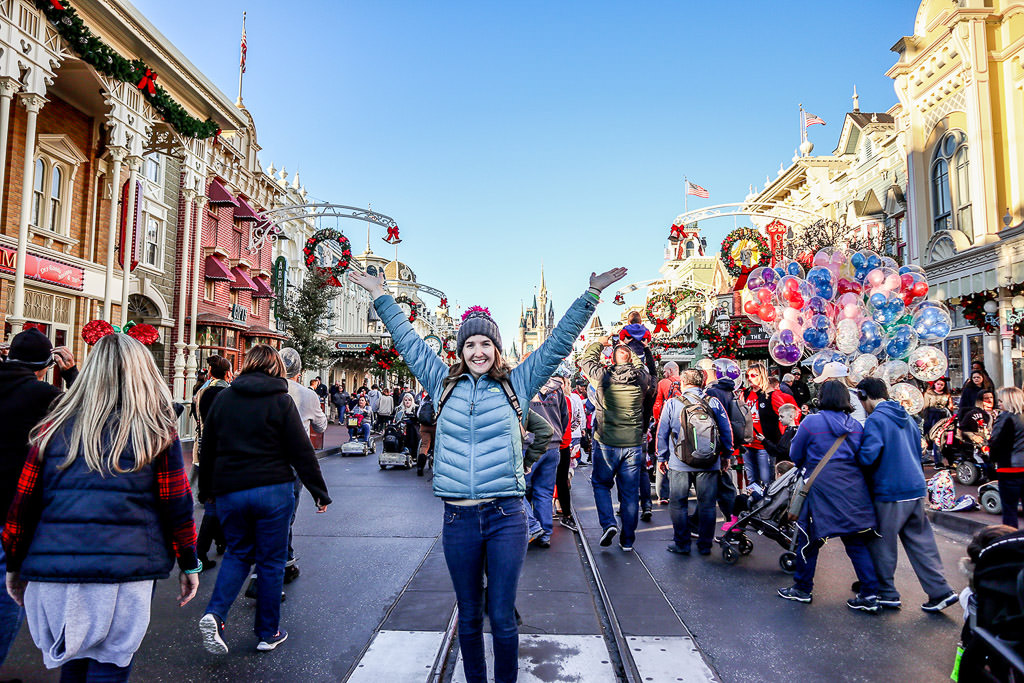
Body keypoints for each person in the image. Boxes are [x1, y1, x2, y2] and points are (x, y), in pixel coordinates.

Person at [349, 265, 623, 683]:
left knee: (502, 614)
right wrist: (381, 295)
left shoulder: (518, 383)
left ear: (496, 349)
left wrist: (590, 295)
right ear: (460, 350)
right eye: (470, 344)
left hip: (505, 517)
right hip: (458, 519)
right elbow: (407, 340)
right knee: (470, 616)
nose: (478, 351)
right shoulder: (441, 382)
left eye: (486, 344)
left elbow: (556, 345)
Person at [2, 333, 198, 681]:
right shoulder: (154, 431)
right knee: (110, 666)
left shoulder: (53, 427)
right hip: (126, 572)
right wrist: (188, 562)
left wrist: (15, 564)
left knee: (72, 663)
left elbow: (24, 504)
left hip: (55, 567)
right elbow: (177, 505)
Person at [197, 345, 331, 655]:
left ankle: (215, 614)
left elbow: (208, 448)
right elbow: (301, 452)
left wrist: (207, 491)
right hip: (272, 489)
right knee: (270, 562)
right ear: (277, 369)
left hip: (231, 490)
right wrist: (319, 493)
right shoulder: (281, 402)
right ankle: (267, 631)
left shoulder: (224, 399)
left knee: (237, 554)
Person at [0, 328, 77, 666]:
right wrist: (72, 373)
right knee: (7, 589)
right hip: (16, 503)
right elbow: (86, 413)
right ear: (47, 363)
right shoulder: (45, 395)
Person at [777, 379, 882, 613]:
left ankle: (802, 588)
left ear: (821, 397)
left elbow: (795, 453)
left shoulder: (812, 422)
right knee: (855, 541)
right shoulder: (856, 426)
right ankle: (870, 593)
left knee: (809, 541)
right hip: (853, 490)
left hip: (820, 489)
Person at [856, 377, 959, 612]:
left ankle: (887, 593)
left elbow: (868, 457)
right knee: (921, 542)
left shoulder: (876, 421)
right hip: (915, 486)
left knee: (882, 543)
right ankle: (940, 590)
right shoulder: (909, 418)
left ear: (864, 396)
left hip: (889, 489)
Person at [579, 333, 654, 553]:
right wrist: (634, 349)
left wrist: (599, 344)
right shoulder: (640, 378)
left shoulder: (602, 376)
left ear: (612, 360)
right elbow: (645, 368)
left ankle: (609, 523)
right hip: (632, 443)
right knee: (630, 493)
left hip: (607, 441)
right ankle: (627, 540)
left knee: (601, 484)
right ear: (631, 360)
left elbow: (586, 361)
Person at [659, 369, 733, 556]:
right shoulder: (713, 403)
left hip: (679, 462)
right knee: (707, 504)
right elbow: (726, 431)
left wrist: (662, 457)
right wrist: (726, 455)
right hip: (709, 462)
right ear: (701, 383)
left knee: (678, 503)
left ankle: (682, 544)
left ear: (683, 383)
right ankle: (705, 545)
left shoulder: (672, 403)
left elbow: (662, 433)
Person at [279, 348, 328, 585]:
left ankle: (275, 560)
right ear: (299, 372)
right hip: (293, 462)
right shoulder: (306, 395)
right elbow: (320, 426)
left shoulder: (265, 390)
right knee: (286, 512)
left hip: (261, 458)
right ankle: (281, 562)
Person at [193, 355, 233, 571]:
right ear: (227, 373)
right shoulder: (224, 393)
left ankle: (220, 539)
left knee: (214, 501)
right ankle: (199, 553)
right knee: (213, 504)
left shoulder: (202, 391)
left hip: (204, 447)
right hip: (219, 451)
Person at [525, 370, 570, 547]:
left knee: (517, 489)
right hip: (553, 445)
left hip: (530, 444)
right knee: (544, 491)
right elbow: (564, 417)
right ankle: (545, 533)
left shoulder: (526, 386)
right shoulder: (557, 389)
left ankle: (532, 526)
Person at [741, 363, 782, 497]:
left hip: (764, 443)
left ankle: (766, 508)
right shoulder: (745, 393)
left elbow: (786, 412)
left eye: (754, 375)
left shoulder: (771, 395)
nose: (750, 378)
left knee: (766, 480)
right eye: (748, 375)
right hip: (748, 442)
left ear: (762, 376)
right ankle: (753, 506)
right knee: (752, 480)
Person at [988, 387, 1024, 528]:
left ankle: (1011, 543)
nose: (999, 404)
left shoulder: (1005, 417)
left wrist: (992, 460)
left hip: (1010, 468)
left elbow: (996, 442)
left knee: (1010, 510)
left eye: (1001, 401)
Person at [922, 377, 955, 468]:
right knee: (930, 437)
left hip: (943, 417)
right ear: (934, 384)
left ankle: (939, 461)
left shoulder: (946, 394)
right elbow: (925, 407)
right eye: (938, 384)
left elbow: (950, 407)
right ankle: (926, 457)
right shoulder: (928, 393)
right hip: (931, 417)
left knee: (940, 438)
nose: (939, 386)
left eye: (942, 385)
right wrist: (925, 419)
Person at [393, 392, 421, 458]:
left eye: (409, 400)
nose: (407, 402)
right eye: (405, 400)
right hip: (400, 427)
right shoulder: (399, 409)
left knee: (411, 429)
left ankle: (410, 449)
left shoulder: (416, 408)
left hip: (412, 427)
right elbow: (396, 420)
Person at [416, 391, 436, 476]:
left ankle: (420, 467)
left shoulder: (424, 400)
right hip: (436, 426)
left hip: (424, 426)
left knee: (424, 446)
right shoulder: (438, 399)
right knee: (437, 446)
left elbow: (418, 414)